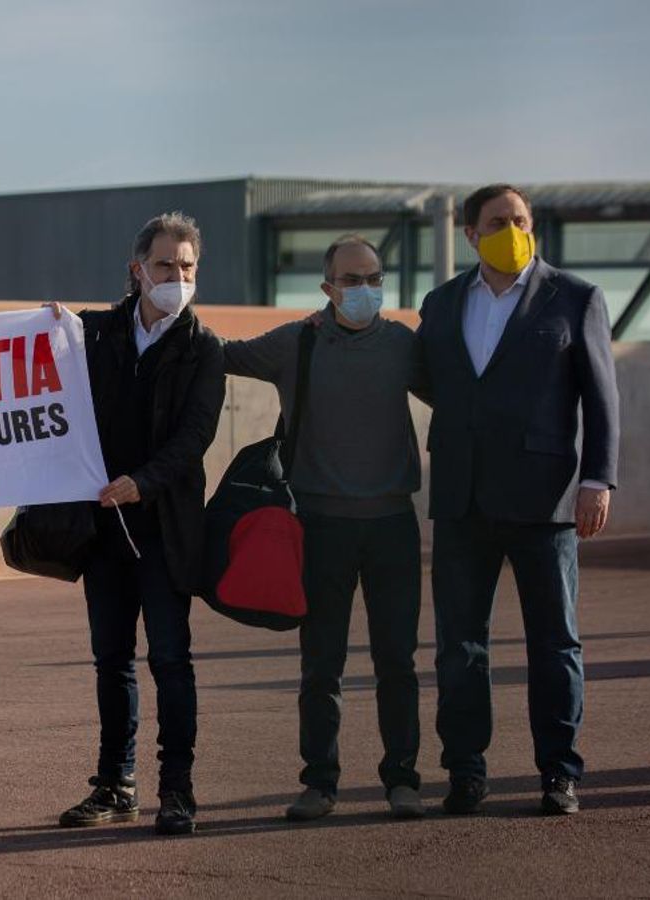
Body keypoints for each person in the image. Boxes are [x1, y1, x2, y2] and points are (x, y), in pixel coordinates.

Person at [416, 184, 620, 816]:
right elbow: (430, 379)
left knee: (555, 643)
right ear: (471, 235)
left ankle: (559, 773)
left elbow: (602, 396)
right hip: (462, 497)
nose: (513, 230)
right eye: (498, 222)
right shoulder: (442, 302)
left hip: (545, 499)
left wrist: (598, 479)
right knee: (459, 647)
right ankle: (465, 772)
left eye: (521, 220)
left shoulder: (576, 297)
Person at [222, 235, 426, 821]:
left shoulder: (403, 345)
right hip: (320, 527)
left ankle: (403, 779)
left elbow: (463, 391)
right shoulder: (297, 341)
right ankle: (320, 782)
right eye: (352, 280)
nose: (365, 290)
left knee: (398, 662)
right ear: (327, 288)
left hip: (392, 525)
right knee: (321, 666)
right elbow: (220, 354)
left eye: (374, 278)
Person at [51, 212, 225, 836]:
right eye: (164, 265)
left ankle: (177, 789)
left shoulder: (204, 349)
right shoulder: (95, 333)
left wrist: (143, 482)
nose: (177, 276)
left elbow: (194, 438)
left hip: (165, 530)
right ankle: (114, 784)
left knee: (171, 660)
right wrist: (43, 325)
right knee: (112, 661)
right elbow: (39, 363)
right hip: (102, 532)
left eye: (187, 266)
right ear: (137, 270)